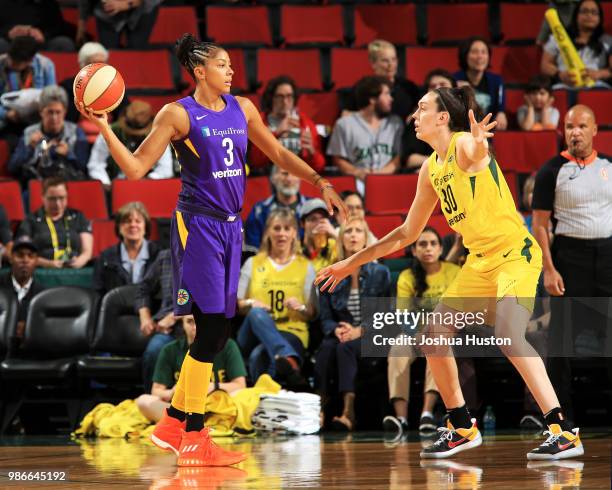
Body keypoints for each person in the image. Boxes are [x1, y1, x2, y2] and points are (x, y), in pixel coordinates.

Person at [76, 33, 346, 467]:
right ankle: (193, 434)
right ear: (200, 71)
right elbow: (136, 168)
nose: (231, 71)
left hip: (231, 227)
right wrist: (106, 127)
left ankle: (172, 424)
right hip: (196, 226)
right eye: (222, 65)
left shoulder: (244, 108)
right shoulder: (177, 114)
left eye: (231, 65)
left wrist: (321, 182)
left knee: (216, 333)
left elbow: (276, 151)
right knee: (214, 332)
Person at [316, 86, 583, 460]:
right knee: (434, 335)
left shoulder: (461, 145)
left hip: (514, 256)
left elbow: (476, 153)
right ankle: (460, 424)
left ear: (443, 118)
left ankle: (563, 430)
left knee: (508, 334)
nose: (414, 115)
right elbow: (407, 232)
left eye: (422, 108)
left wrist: (479, 143)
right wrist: (350, 262)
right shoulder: (430, 168)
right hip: (478, 262)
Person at [531, 104, 612, 424]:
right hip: (569, 257)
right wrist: (549, 269)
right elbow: (539, 224)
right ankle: (560, 420)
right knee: (561, 342)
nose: (574, 132)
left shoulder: (608, 166)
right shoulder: (551, 170)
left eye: (581, 126)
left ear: (594, 130)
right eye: (569, 127)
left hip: (607, 256)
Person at [383, 227, 460, 438]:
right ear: (414, 250)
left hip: (446, 330)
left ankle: (427, 413)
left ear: (441, 248)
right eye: (422, 244)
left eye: (433, 244)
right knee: (398, 349)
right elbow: (403, 314)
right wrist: (416, 334)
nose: (428, 248)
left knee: (437, 345)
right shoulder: (406, 277)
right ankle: (401, 418)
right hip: (415, 332)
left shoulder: (453, 271)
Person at [316, 216, 391, 431]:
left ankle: (348, 412)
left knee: (345, 348)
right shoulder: (329, 273)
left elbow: (386, 316)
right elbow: (325, 319)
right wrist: (336, 329)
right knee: (326, 349)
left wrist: (360, 330)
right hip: (342, 335)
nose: (353, 235)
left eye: (359, 231)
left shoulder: (380, 273)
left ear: (367, 239)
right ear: (340, 239)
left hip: (372, 336)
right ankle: (319, 410)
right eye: (348, 231)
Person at [237, 208, 316, 385]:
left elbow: (312, 313)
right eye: (277, 228)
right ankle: (289, 358)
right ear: (268, 232)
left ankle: (265, 400)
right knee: (257, 314)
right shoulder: (253, 263)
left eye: (287, 229)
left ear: (295, 233)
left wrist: (300, 307)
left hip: (292, 331)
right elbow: (237, 304)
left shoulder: (306, 267)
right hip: (253, 333)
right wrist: (251, 303)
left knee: (260, 355)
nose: (282, 234)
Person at [136, 315, 247, 423]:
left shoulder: (228, 346)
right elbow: (156, 391)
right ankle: (196, 423)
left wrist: (213, 386)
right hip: (183, 408)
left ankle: (194, 423)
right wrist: (172, 392)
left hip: (217, 406)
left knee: (247, 396)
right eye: (190, 321)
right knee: (143, 401)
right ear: (182, 324)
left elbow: (241, 386)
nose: (195, 327)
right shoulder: (169, 350)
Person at [327, 75, 403, 194]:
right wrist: (358, 173)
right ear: (372, 99)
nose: (391, 99)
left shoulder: (395, 123)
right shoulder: (344, 124)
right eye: (386, 94)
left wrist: (379, 175)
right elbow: (338, 160)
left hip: (389, 181)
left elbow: (397, 159)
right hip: (357, 184)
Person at [9, 85, 89, 186]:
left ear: (65, 112)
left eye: (58, 112)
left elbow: (84, 167)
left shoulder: (76, 132)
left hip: (69, 184)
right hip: (37, 185)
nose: (54, 117)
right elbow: (12, 168)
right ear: (41, 111)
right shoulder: (29, 133)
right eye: (50, 112)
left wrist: (69, 154)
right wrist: (29, 148)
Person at [88, 101, 174, 190]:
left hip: (147, 188)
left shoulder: (158, 135)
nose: (134, 135)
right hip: (114, 185)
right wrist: (107, 184)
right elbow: (96, 164)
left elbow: (165, 169)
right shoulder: (109, 132)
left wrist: (147, 181)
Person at [248, 76, 325, 172]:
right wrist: (277, 133)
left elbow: (319, 167)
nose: (285, 101)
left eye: (289, 96)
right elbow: (255, 162)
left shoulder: (305, 123)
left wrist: (311, 152)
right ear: (271, 98)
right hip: (270, 176)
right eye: (280, 96)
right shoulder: (260, 121)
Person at [16, 176, 93, 269]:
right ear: (42, 197)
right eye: (52, 199)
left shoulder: (77, 217)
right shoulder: (31, 220)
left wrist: (80, 261)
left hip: (74, 270)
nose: (57, 204)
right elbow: (23, 252)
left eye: (62, 198)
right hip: (42, 271)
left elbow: (87, 251)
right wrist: (47, 263)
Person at [93, 201, 161, 296]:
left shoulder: (159, 255)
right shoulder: (105, 258)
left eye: (138, 221)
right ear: (119, 228)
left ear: (146, 227)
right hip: (116, 309)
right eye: (127, 221)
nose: (133, 225)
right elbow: (98, 293)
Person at [541, 0, 612, 88]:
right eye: (584, 11)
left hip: (596, 86)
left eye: (594, 12)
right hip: (564, 85)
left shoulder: (608, 41)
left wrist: (599, 74)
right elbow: (545, 64)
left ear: (600, 18)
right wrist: (560, 74)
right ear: (576, 15)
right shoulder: (558, 37)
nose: (589, 15)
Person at [136, 249, 177, 394]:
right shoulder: (165, 256)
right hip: (168, 330)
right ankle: (151, 403)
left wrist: (174, 316)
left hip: (202, 325)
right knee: (153, 352)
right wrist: (145, 317)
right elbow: (143, 288)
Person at [61, 42, 129, 124]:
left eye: (103, 64)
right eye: (95, 64)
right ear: (83, 65)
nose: (100, 69)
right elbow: (66, 120)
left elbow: (124, 115)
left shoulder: (114, 86)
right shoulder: (67, 87)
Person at [244, 165, 308, 252]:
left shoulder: (313, 208)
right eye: (284, 174)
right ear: (273, 178)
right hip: (266, 263)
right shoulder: (259, 211)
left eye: (294, 174)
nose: (289, 179)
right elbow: (252, 249)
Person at [402, 69, 457, 171]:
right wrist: (439, 164)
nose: (437, 89)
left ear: (454, 90)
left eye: (442, 84)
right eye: (432, 86)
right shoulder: (418, 121)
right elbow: (411, 159)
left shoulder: (467, 117)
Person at [0, 36, 55, 134]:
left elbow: (51, 97)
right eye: (10, 58)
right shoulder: (2, 63)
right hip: (7, 115)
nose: (10, 63)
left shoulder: (46, 65)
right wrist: (6, 113)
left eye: (15, 62)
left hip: (36, 117)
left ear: (30, 61)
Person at [454, 37, 508, 131]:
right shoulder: (455, 80)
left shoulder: (496, 81)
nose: (480, 56)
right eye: (475, 52)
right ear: (465, 55)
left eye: (484, 52)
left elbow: (500, 109)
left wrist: (501, 113)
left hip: (486, 132)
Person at [0, 235, 45, 341]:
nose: (25, 260)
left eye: (30, 256)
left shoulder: (42, 295)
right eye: (20, 255)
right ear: (11, 258)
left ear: (36, 261)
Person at [77, 0, 161, 49]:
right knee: (109, 54)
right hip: (107, 13)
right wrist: (81, 23)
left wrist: (127, 3)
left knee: (136, 51)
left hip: (142, 10)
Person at [0, 0, 75, 54]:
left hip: (41, 44)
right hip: (11, 44)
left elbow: (58, 27)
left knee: (64, 43)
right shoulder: (4, 3)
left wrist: (43, 35)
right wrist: (8, 33)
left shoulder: (49, 4)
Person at [301, 198, 338, 272]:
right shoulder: (294, 249)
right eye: (313, 219)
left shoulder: (334, 246)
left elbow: (356, 259)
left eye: (322, 219)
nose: (318, 223)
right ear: (302, 224)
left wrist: (335, 235)